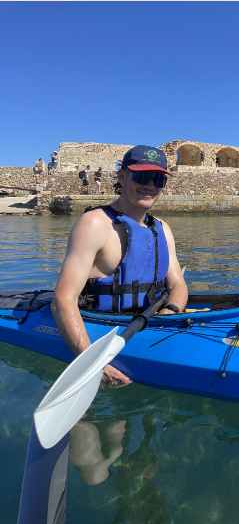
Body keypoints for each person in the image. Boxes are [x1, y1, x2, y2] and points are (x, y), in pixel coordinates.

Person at [52, 145, 188, 386]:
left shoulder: (163, 230)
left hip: (149, 324)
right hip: (99, 326)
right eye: (142, 177)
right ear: (122, 177)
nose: (150, 186)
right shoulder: (94, 224)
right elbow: (63, 300)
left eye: (157, 179)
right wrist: (92, 363)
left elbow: (178, 284)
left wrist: (169, 314)